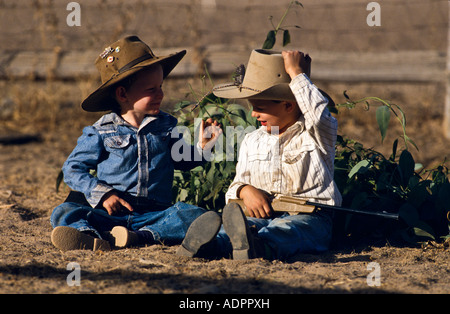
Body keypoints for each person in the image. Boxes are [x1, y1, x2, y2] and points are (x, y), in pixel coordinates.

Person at [50, 36, 222, 251]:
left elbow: (183, 161)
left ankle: (138, 237)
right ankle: (89, 235)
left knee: (193, 215)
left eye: (160, 86)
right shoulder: (101, 131)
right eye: (151, 90)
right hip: (111, 211)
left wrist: (204, 147)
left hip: (154, 214)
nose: (161, 94)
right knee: (64, 211)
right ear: (122, 94)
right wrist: (103, 193)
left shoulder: (166, 126)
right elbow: (72, 169)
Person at [177, 49, 342, 260]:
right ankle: (211, 245)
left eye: (260, 108)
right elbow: (237, 184)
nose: (253, 114)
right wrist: (245, 191)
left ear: (289, 105)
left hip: (310, 217)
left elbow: (318, 115)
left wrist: (296, 73)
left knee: (287, 231)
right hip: (263, 215)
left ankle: (257, 247)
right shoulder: (252, 140)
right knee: (242, 227)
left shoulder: (315, 135)